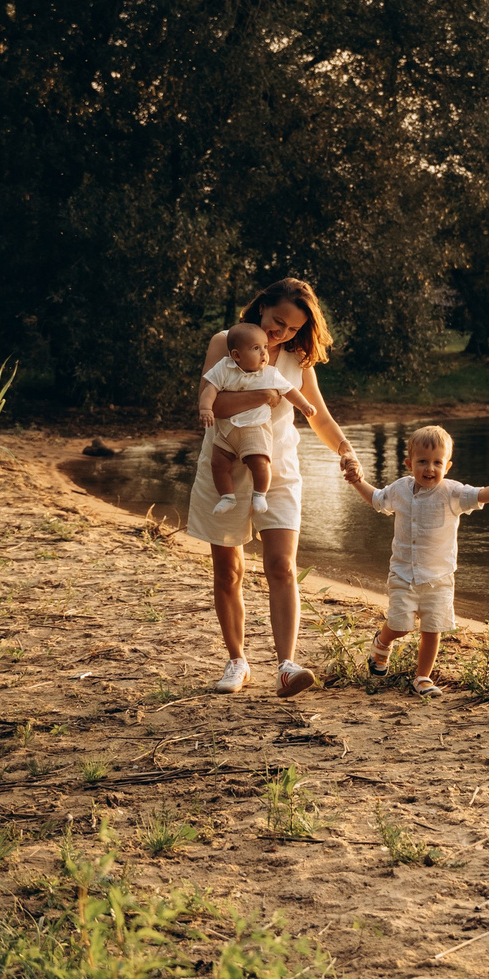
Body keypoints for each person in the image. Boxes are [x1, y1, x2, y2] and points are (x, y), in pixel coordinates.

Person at [187, 278, 360, 698]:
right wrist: (264, 394)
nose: (281, 333)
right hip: (225, 464)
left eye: (293, 328)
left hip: (278, 467)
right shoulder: (226, 343)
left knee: (281, 567)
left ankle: (286, 665)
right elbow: (215, 404)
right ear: (262, 306)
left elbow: (317, 414)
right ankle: (237, 661)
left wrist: (345, 449)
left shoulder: (297, 360)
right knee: (229, 571)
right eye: (278, 321)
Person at [341, 424, 489, 697]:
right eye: (422, 461)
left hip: (439, 578)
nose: (429, 468)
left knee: (433, 630)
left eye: (437, 462)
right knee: (400, 625)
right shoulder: (399, 490)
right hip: (403, 574)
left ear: (448, 465)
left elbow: (480, 495)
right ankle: (382, 642)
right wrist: (355, 481)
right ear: (410, 463)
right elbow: (376, 499)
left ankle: (422, 677)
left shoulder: (452, 493)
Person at [204, 321, 311, 516]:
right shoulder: (224, 368)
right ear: (236, 355)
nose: (264, 353)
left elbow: (290, 391)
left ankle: (260, 493)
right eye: (256, 348)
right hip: (226, 431)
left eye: (264, 347)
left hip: (254, 429)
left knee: (261, 463)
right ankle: (227, 496)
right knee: (218, 464)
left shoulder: (270, 374)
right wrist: (205, 408)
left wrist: (304, 405)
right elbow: (209, 389)